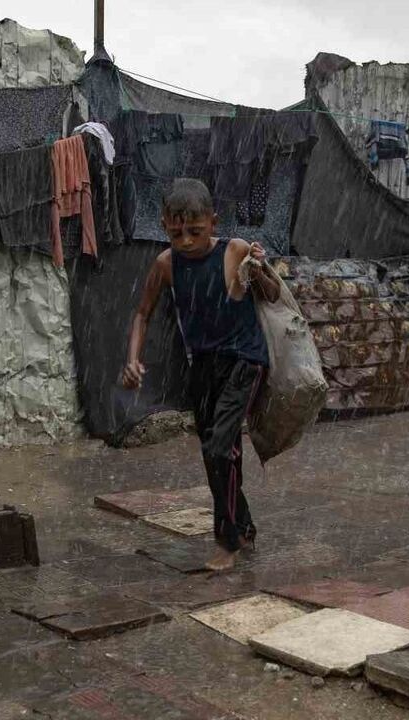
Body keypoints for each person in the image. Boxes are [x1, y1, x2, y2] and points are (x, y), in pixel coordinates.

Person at [120, 178, 276, 571]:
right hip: (203, 364)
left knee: (221, 448)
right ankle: (243, 525)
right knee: (215, 453)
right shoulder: (166, 264)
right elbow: (142, 314)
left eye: (195, 231)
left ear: (213, 222)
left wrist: (259, 270)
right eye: (176, 234)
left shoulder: (234, 250)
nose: (186, 241)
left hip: (245, 360)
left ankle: (227, 541)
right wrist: (132, 359)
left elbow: (273, 293)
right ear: (164, 227)